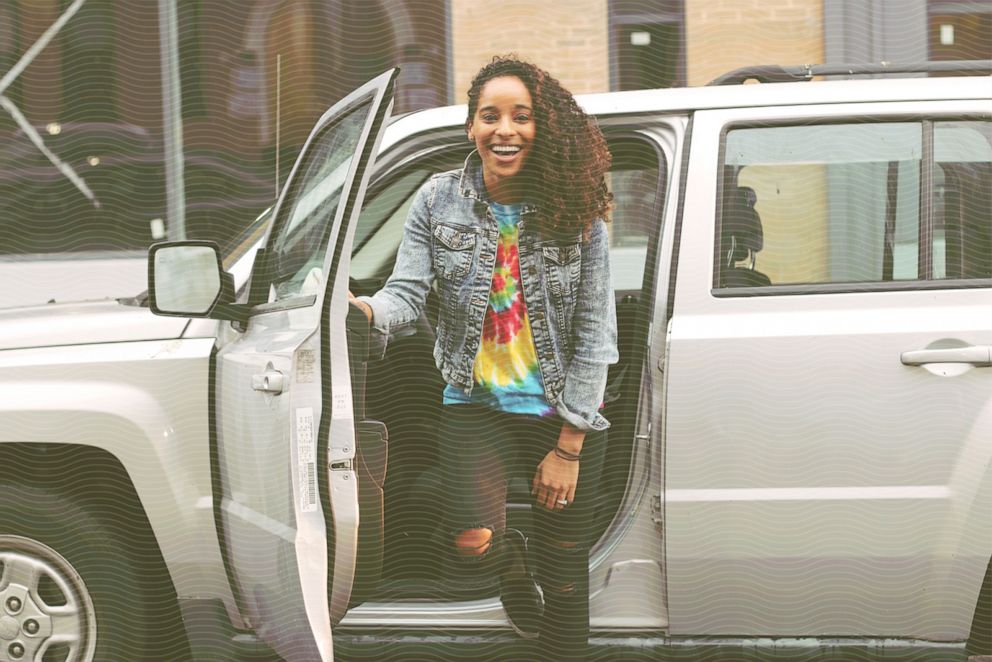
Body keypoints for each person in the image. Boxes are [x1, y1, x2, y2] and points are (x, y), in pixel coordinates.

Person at [350, 55, 617, 659]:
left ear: (542, 127)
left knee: (568, 576)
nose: (506, 130)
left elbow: (596, 335)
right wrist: (364, 312)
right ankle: (511, 565)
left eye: (522, 117)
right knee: (471, 542)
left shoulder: (578, 211)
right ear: (471, 126)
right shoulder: (436, 199)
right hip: (475, 404)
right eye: (490, 116)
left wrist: (568, 448)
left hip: (563, 411)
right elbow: (406, 294)